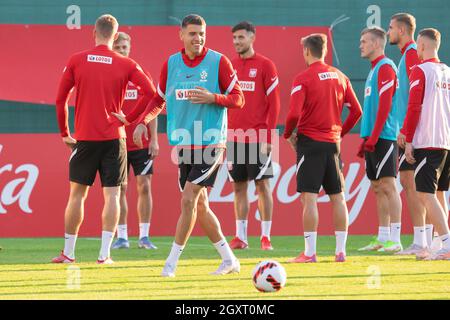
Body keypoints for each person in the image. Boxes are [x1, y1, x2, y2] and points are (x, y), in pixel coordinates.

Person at [115, 14, 245, 276]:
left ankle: (170, 264)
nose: (198, 38)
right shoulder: (171, 64)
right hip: (184, 145)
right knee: (200, 206)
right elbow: (157, 100)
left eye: (202, 33)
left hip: (211, 143)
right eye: (193, 33)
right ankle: (229, 260)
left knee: (188, 201)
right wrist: (142, 122)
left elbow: (239, 98)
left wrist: (214, 97)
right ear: (181, 35)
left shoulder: (219, 61)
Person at [53, 14, 156, 264]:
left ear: (93, 33)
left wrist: (65, 133)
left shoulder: (76, 60)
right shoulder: (126, 63)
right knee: (112, 196)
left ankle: (69, 253)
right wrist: (128, 118)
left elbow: (60, 100)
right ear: (115, 34)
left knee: (77, 195)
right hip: (114, 139)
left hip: (85, 139)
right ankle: (104, 255)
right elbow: (151, 93)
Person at [284, 33, 362, 263]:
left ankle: (310, 253)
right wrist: (339, 132)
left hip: (310, 143)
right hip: (333, 144)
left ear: (307, 51)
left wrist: (288, 134)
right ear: (325, 51)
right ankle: (340, 252)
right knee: (338, 197)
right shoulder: (341, 76)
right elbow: (356, 112)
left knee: (309, 199)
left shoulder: (303, 78)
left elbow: (294, 114)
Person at [227, 21, 280, 251]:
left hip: (258, 138)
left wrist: (269, 137)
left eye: (241, 37)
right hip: (233, 138)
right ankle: (241, 237)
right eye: (235, 38)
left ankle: (265, 236)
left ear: (252, 38)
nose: (237, 42)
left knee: (262, 186)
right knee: (238, 188)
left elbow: (275, 103)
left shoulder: (266, 65)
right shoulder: (229, 66)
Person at [402, 28, 450, 260]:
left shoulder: (420, 70)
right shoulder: (448, 71)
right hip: (446, 141)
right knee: (439, 193)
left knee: (425, 194)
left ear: (421, 46)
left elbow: (414, 107)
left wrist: (408, 138)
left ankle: (447, 244)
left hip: (428, 141)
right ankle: (438, 244)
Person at [357, 27, 403, 253]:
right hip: (373, 137)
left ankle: (396, 238)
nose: (360, 45)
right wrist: (364, 138)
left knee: (388, 185)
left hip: (384, 137)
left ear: (376, 44)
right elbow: (373, 108)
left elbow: (385, 106)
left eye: (364, 41)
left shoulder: (386, 67)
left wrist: (374, 137)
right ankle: (383, 236)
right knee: (377, 187)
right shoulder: (374, 70)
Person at [111, 32, 158, 250]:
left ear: (130, 48)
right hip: (118, 142)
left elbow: (153, 106)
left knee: (144, 186)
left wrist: (154, 139)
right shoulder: (108, 76)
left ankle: (144, 236)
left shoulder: (140, 74)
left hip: (141, 142)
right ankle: (122, 237)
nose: (122, 51)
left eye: (124, 47)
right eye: (118, 47)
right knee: (119, 189)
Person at [388, 13, 430, 255]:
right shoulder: (408, 55)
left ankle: (421, 241)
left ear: (402, 30)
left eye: (391, 28)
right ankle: (428, 240)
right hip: (408, 131)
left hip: (412, 133)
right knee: (411, 184)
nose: (389, 32)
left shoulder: (412, 53)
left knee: (412, 184)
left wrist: (407, 131)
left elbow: (418, 95)